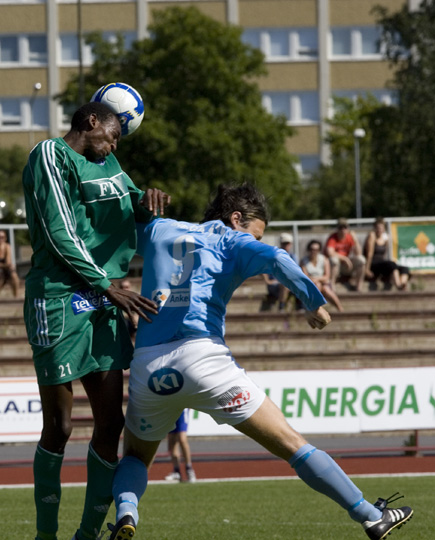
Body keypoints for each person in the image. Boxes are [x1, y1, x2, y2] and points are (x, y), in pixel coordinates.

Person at [106, 184, 412, 540]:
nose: (256, 240)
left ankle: (127, 514)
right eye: (256, 232)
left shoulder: (162, 228)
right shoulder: (231, 240)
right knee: (293, 444)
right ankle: (371, 516)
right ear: (236, 219)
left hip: (149, 364)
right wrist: (313, 302)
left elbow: (114, 234)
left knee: (134, 458)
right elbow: (278, 259)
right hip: (203, 358)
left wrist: (137, 206)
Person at [21, 101, 170, 540]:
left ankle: (87, 536)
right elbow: (59, 230)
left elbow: (118, 218)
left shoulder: (107, 167)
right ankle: (45, 535)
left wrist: (145, 205)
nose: (114, 145)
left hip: (102, 300)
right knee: (60, 426)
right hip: (59, 299)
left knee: (110, 424)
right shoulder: (49, 154)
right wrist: (108, 286)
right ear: (91, 123)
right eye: (113, 136)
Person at [364, 218, 410, 291]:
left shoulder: (385, 238)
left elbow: (384, 254)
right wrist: (367, 269)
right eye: (378, 228)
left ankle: (402, 283)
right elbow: (369, 254)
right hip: (373, 264)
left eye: (381, 228)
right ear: (374, 228)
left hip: (381, 264)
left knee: (404, 268)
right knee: (392, 264)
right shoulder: (372, 236)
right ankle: (398, 286)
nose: (379, 230)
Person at [261, 232, 301, 311]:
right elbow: (262, 267)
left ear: (291, 244)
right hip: (275, 284)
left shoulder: (293, 256)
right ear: (281, 243)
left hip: (287, 283)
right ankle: (282, 307)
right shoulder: (273, 255)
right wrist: (267, 281)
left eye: (287, 243)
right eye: (284, 243)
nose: (286, 245)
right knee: (285, 284)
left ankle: (298, 306)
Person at [301, 240, 344, 312]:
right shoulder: (303, 261)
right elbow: (305, 276)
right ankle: (318, 309)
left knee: (326, 289)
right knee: (318, 286)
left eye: (316, 250)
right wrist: (315, 280)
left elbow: (327, 276)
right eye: (312, 249)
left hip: (322, 282)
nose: (314, 251)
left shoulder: (324, 259)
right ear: (309, 250)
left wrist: (317, 279)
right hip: (310, 283)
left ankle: (339, 308)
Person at [325, 218, 366, 292]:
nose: (343, 230)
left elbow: (358, 253)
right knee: (334, 260)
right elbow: (330, 252)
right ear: (337, 228)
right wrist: (344, 258)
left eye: (345, 227)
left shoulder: (350, 237)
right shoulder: (332, 238)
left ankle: (358, 286)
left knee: (361, 259)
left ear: (348, 228)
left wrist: (355, 239)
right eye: (341, 227)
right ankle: (332, 285)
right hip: (335, 266)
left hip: (347, 266)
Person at [164, 409, 196, 483]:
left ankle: (189, 469)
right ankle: (176, 471)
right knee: (172, 440)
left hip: (182, 408)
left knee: (182, 438)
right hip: (170, 409)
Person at [0, 229, 20, 297]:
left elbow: (8, 261)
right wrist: (6, 265)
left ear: (5, 238)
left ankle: (16, 296)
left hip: (3, 270)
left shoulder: (7, 246)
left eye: (2, 237)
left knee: (14, 274)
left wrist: (7, 266)